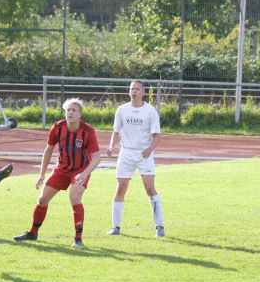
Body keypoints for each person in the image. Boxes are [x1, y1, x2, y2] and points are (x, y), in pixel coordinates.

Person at [13, 98, 100, 247]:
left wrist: (85, 173)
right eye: (68, 110)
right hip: (61, 169)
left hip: (80, 170)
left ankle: (78, 239)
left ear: (80, 114)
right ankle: (33, 233)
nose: (70, 113)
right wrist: (42, 174)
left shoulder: (88, 131)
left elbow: (97, 157)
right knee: (42, 199)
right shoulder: (58, 127)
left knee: (74, 196)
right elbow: (48, 150)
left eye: (74, 110)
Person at [105, 80, 164, 237]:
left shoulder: (150, 111)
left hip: (144, 154)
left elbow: (157, 136)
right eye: (132, 89)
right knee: (121, 187)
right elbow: (116, 132)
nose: (134, 91)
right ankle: (115, 227)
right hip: (126, 153)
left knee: (149, 187)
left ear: (143, 93)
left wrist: (150, 149)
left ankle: (159, 226)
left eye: (137, 89)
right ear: (129, 92)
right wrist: (112, 146)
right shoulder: (122, 110)